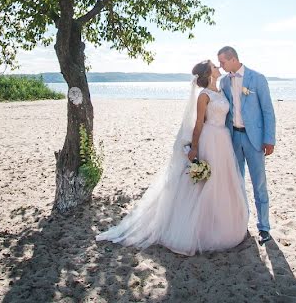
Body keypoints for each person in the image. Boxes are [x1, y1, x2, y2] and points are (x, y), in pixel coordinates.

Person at [96, 60, 248, 255]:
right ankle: (204, 227)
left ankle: (224, 222)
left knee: (223, 181)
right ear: (209, 73)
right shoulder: (204, 96)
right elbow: (199, 124)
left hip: (223, 139)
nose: (218, 67)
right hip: (210, 139)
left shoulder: (220, 91)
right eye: (214, 65)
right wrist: (194, 148)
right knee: (207, 183)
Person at [218, 45, 276, 245]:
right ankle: (241, 224)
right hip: (234, 139)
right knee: (238, 183)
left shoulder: (257, 78)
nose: (221, 66)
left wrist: (270, 139)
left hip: (255, 140)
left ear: (233, 58)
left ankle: (264, 228)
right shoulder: (223, 82)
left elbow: (268, 110)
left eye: (222, 62)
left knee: (259, 184)